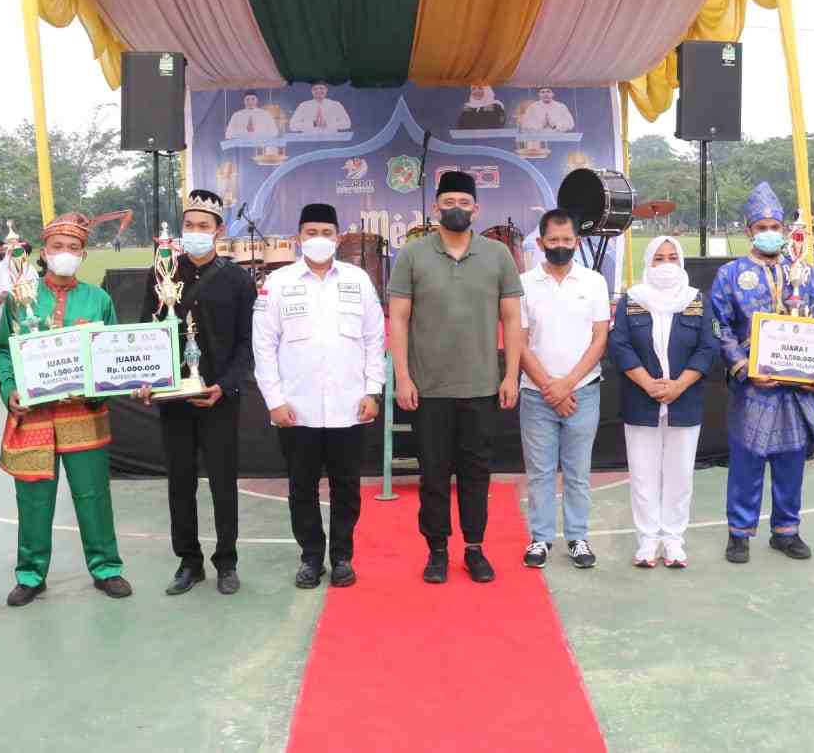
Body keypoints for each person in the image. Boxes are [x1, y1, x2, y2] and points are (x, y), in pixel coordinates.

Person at [387, 170, 523, 584]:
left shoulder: (498, 255)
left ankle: (475, 548)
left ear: (476, 209)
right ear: (435, 208)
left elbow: (513, 319)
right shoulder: (413, 255)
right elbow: (398, 317)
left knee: (476, 473)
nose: (456, 209)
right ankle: (438, 550)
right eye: (448, 203)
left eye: (464, 203)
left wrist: (511, 375)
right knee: (432, 473)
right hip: (428, 388)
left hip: (482, 386)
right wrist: (403, 377)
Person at [0, 212, 131, 606]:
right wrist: (11, 388)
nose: (65, 254)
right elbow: (3, 350)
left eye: (73, 248)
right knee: (34, 498)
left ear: (83, 254)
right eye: (58, 247)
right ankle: (31, 574)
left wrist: (99, 392)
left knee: (93, 495)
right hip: (34, 416)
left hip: (83, 416)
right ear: (45, 251)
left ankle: (106, 567)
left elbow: (112, 356)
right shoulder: (21, 297)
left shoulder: (98, 299)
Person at [254, 203, 385, 588]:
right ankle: (311, 557)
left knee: (347, 486)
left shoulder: (359, 280)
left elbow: (374, 339)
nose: (319, 240)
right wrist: (273, 400)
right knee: (302, 486)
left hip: (350, 406)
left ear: (339, 238)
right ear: (298, 238)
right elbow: (263, 345)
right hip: (298, 408)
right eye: (311, 233)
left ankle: (342, 556)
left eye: (326, 233)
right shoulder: (277, 283)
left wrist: (372, 391)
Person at [137, 190, 257, 596]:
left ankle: (226, 561)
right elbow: (145, 335)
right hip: (175, 400)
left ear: (219, 231)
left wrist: (225, 386)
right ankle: (189, 562)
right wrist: (148, 378)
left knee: (223, 481)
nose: (195, 232)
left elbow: (247, 344)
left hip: (220, 396)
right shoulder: (161, 274)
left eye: (203, 226)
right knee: (180, 481)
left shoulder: (239, 280)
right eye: (189, 225)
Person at [710, 182, 814, 564]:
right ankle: (739, 533)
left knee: (791, 457)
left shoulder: (804, 273)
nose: (768, 233)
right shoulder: (731, 274)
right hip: (754, 386)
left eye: (774, 226)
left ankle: (786, 531)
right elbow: (720, 326)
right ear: (748, 231)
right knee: (748, 457)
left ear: (784, 229)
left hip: (797, 386)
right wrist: (744, 368)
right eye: (760, 227)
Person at [611, 236, 719, 567]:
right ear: (648, 262)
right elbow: (620, 345)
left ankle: (673, 540)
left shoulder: (696, 301)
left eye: (673, 257)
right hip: (641, 400)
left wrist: (679, 385)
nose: (666, 264)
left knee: (679, 474)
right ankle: (647, 541)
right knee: (643, 474)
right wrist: (647, 383)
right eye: (659, 258)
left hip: (684, 400)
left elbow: (707, 347)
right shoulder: (631, 300)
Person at [517, 209, 609, 569]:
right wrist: (548, 387)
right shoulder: (523, 283)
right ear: (540, 243)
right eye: (552, 241)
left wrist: (567, 385)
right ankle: (540, 540)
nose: (560, 247)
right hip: (536, 394)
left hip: (583, 391)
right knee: (539, 471)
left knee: (577, 470)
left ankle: (577, 537)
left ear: (578, 242)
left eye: (566, 241)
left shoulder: (594, 282)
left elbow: (600, 337)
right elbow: (519, 341)